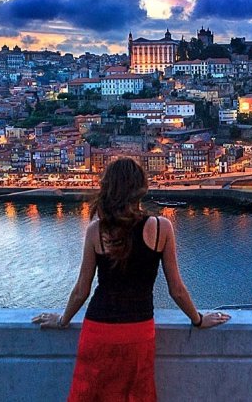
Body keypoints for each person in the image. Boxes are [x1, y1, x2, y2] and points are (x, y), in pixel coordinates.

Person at [32, 157, 230, 401]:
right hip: (138, 332)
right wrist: (198, 320)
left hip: (98, 331)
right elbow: (176, 289)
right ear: (141, 189)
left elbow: (81, 290)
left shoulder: (96, 230)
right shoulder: (161, 228)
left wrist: (63, 320)